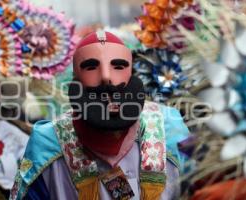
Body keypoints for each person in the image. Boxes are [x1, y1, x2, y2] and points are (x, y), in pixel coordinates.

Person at [11, 31, 189, 200]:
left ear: (131, 73)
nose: (106, 77)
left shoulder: (168, 127)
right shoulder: (48, 141)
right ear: (76, 78)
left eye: (118, 66)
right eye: (91, 67)